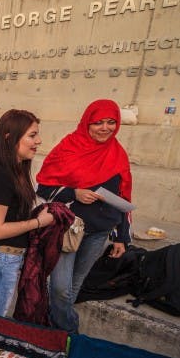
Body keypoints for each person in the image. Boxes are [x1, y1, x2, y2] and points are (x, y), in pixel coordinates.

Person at [36, 99, 133, 332]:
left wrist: (121, 237)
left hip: (98, 232)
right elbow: (43, 187)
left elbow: (123, 197)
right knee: (60, 287)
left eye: (111, 122)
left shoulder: (118, 153)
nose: (105, 128)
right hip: (67, 229)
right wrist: (74, 193)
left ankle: (53, 330)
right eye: (98, 122)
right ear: (86, 123)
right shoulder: (68, 147)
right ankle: (69, 331)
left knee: (75, 285)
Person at [0, 110, 54, 316]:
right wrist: (38, 222)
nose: (39, 141)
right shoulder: (0, 176)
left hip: (2, 260)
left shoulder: (16, 171)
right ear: (9, 137)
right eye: (32, 135)